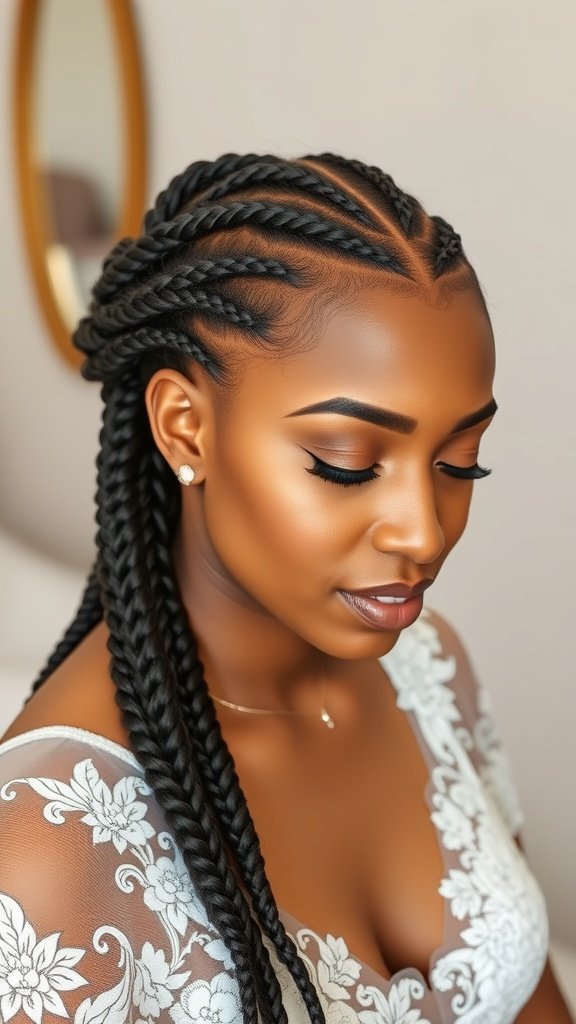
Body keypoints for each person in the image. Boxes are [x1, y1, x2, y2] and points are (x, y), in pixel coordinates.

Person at [0, 152, 571, 1024]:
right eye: (346, 464)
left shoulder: (431, 670)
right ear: (184, 428)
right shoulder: (49, 849)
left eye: (461, 461)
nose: (425, 531)